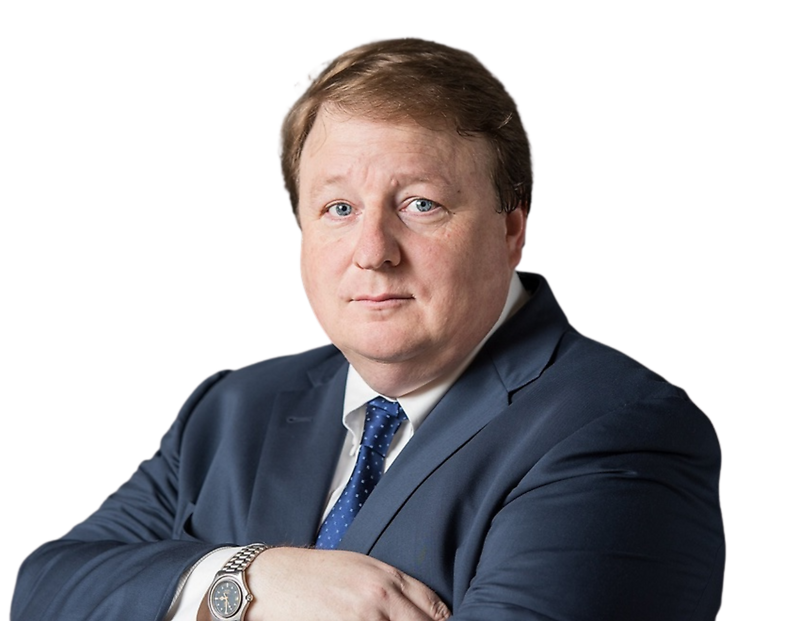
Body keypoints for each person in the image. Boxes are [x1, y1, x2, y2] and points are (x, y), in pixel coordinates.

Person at [10, 36, 726, 620]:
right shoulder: (230, 409)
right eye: (338, 209)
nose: (374, 250)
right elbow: (44, 589)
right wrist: (247, 579)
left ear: (512, 230)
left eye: (420, 204)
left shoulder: (621, 427)